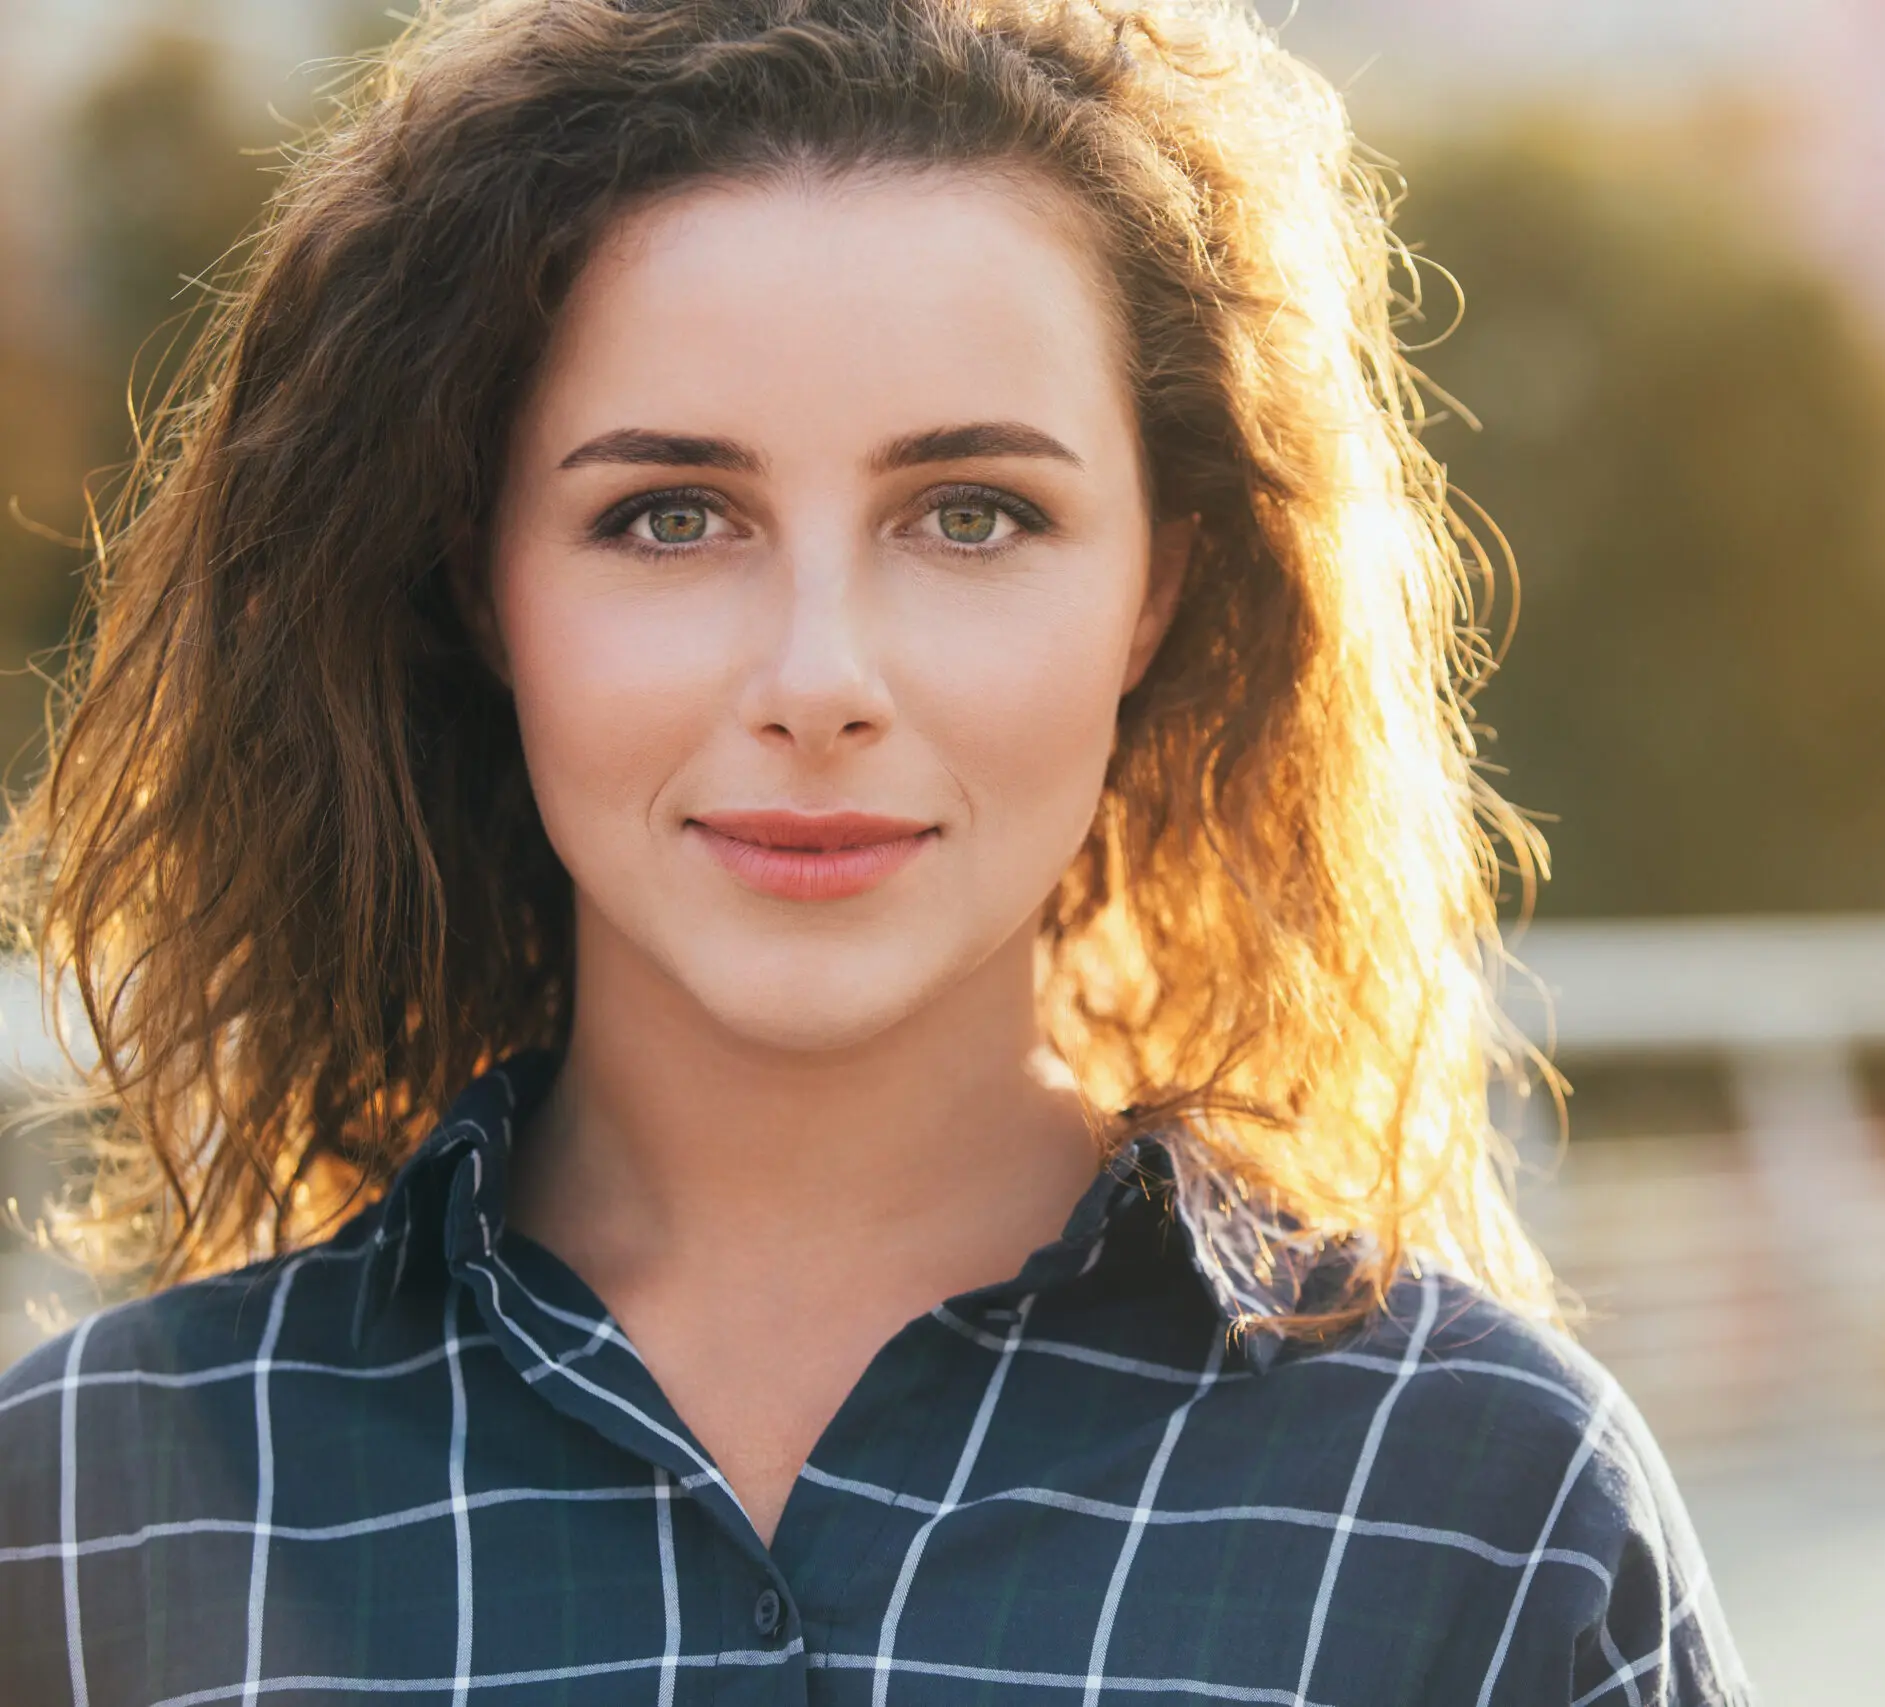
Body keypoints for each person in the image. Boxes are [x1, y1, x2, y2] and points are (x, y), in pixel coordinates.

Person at [0, 1, 1752, 1701]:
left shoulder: (1487, 1515)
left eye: (972, 515)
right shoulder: (80, 1516)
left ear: (1156, 589)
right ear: (482, 586)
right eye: (669, 517)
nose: (818, 680)